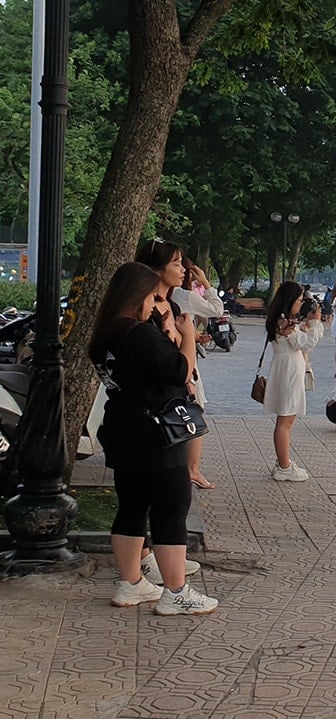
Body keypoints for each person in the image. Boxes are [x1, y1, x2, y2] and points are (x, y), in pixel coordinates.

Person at [89, 262, 217, 615]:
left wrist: (162, 333)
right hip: (156, 432)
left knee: (132, 506)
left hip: (122, 428)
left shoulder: (105, 334)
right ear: (138, 296)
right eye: (151, 297)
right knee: (171, 507)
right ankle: (176, 591)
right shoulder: (140, 334)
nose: (154, 304)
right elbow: (180, 371)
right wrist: (185, 334)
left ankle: (130, 583)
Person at [135, 239, 223, 490]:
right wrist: (186, 337)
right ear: (157, 269)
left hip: (180, 377)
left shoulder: (173, 304)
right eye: (176, 263)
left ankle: (188, 470)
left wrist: (188, 371)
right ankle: (190, 470)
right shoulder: (146, 306)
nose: (183, 269)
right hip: (158, 391)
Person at [262, 281, 324, 481]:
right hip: (289, 370)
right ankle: (284, 466)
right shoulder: (285, 323)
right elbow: (308, 344)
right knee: (285, 420)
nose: (301, 304)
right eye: (299, 300)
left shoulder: (282, 320)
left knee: (286, 419)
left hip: (286, 367)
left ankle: (283, 462)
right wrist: (315, 323)